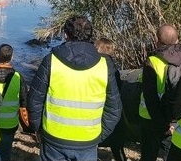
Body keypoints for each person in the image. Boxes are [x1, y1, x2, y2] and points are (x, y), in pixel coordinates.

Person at [27, 16, 122, 161]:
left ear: (65, 34)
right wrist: (99, 135)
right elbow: (114, 108)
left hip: (54, 138)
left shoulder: (51, 60)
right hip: (88, 142)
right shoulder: (105, 65)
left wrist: (37, 128)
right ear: (91, 35)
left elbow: (34, 100)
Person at [138, 24, 181, 161]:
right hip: (175, 119)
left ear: (156, 40)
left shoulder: (152, 62)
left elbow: (150, 96)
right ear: (177, 40)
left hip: (151, 119)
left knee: (148, 156)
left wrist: (162, 125)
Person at [0, 44, 28, 161]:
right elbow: (24, 102)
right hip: (9, 124)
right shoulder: (17, 76)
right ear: (12, 57)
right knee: (5, 151)